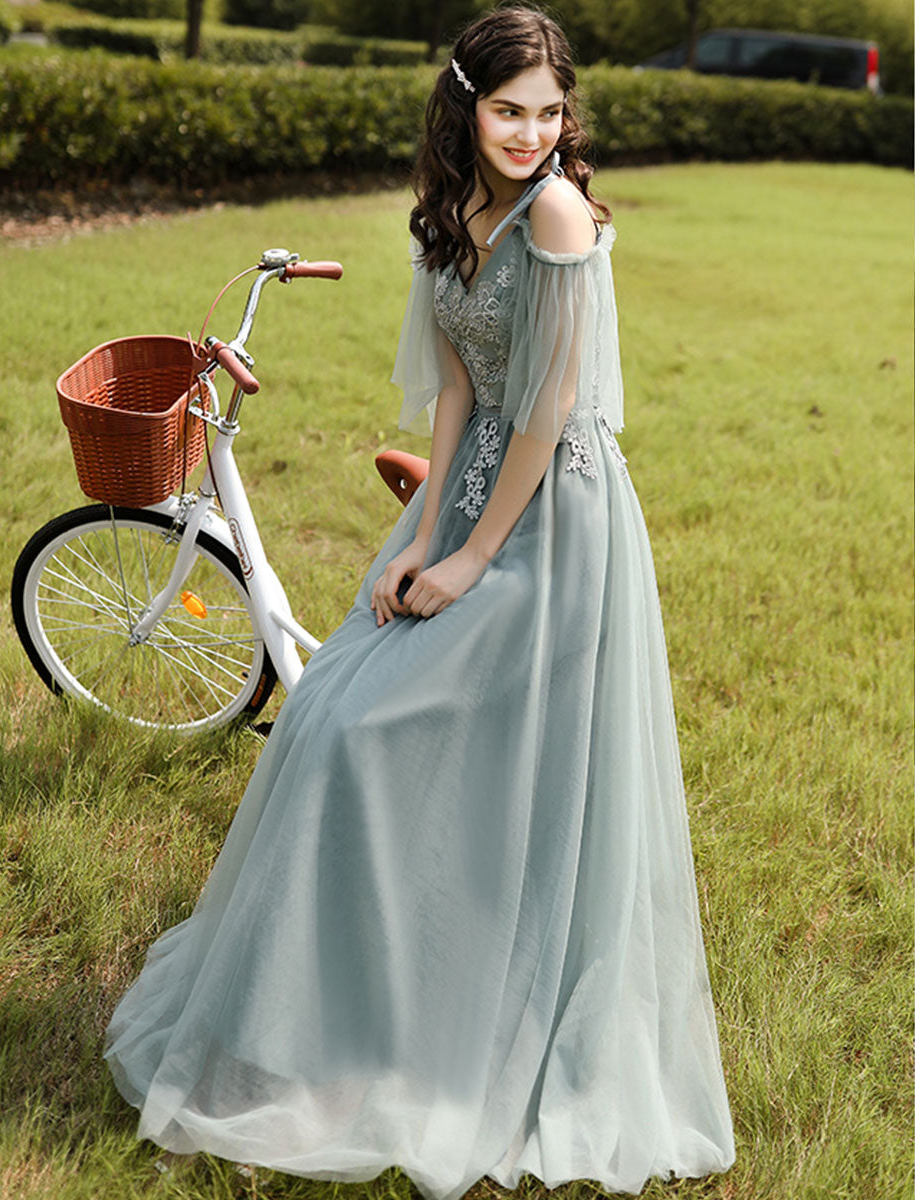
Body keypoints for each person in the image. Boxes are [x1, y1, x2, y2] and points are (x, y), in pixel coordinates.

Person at [103, 7, 736, 1197]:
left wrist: (472, 562)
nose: (532, 134)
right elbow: (457, 389)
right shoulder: (451, 213)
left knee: (365, 733)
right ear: (464, 106)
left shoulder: (553, 210)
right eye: (510, 111)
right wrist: (424, 527)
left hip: (555, 526)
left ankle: (438, 1021)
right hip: (474, 500)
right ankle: (342, 1008)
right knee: (334, 713)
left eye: (551, 113)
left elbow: (547, 411)